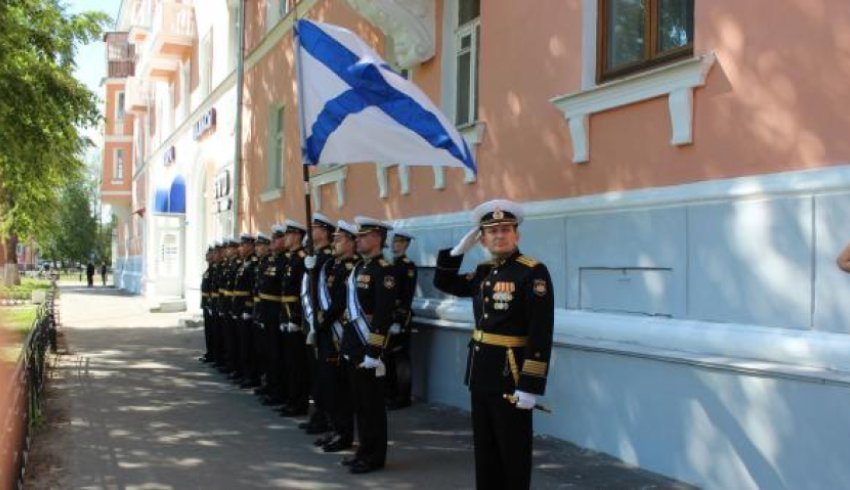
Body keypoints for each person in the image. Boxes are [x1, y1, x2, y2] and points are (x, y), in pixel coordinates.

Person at [433, 199, 554, 490]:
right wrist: (455, 254)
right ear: (483, 239)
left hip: (511, 376)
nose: (499, 235)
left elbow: (541, 331)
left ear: (517, 235)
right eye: (492, 231)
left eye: (505, 229)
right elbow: (445, 284)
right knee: (485, 449)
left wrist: (530, 383)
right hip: (481, 372)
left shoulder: (532, 272)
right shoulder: (485, 271)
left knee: (512, 451)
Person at [339, 216, 398, 474]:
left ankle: (375, 456)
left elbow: (384, 316)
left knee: (372, 406)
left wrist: (374, 352)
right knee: (360, 404)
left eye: (363, 236)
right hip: (354, 347)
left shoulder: (384, 271)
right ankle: (363, 450)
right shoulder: (360, 269)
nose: (358, 240)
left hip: (369, 350)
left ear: (377, 239)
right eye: (358, 236)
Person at [312, 220, 359, 453]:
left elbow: (340, 302)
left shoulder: (352, 268)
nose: (334, 242)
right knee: (329, 385)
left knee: (340, 388)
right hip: (326, 333)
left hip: (338, 333)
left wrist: (322, 321)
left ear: (351, 243)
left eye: (339, 239)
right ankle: (334, 429)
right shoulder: (333, 265)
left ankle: (344, 434)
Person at [300, 213, 337, 435]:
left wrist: (318, 322)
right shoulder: (314, 256)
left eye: (314, 228)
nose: (310, 232)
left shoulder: (329, 258)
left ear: (324, 233)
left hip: (323, 325)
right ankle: (319, 415)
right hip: (312, 321)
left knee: (325, 376)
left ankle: (325, 418)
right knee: (315, 373)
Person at [279, 219, 311, 417]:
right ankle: (291, 399)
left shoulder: (301, 258)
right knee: (289, 362)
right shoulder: (291, 258)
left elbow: (303, 292)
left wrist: (296, 318)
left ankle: (299, 403)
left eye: (289, 234)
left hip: (295, 318)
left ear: (298, 236)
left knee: (297, 364)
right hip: (286, 313)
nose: (286, 238)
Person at [385, 229, 417, 410]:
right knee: (388, 358)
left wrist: (398, 319)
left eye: (398, 241)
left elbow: (407, 296)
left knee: (401, 360)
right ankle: (390, 394)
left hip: (399, 318)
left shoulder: (408, 266)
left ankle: (403, 397)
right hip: (388, 316)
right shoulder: (391, 264)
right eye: (394, 241)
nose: (394, 245)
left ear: (405, 244)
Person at [199, 245, 215, 363]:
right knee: (209, 331)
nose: (207, 256)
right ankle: (210, 352)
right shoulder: (209, 269)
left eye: (210, 254)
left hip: (212, 303)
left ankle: (214, 354)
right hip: (207, 303)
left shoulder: (214, 269)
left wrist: (210, 303)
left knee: (213, 332)